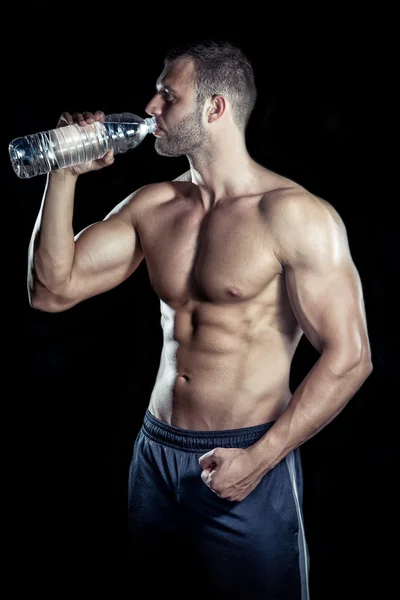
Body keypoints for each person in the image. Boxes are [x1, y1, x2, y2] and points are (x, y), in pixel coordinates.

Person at [27, 39, 373, 599]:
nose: (150, 109)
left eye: (168, 95)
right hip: (155, 456)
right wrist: (62, 172)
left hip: (245, 459)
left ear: (215, 108)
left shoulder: (293, 215)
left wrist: (259, 461)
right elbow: (49, 289)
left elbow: (351, 357)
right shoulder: (155, 206)